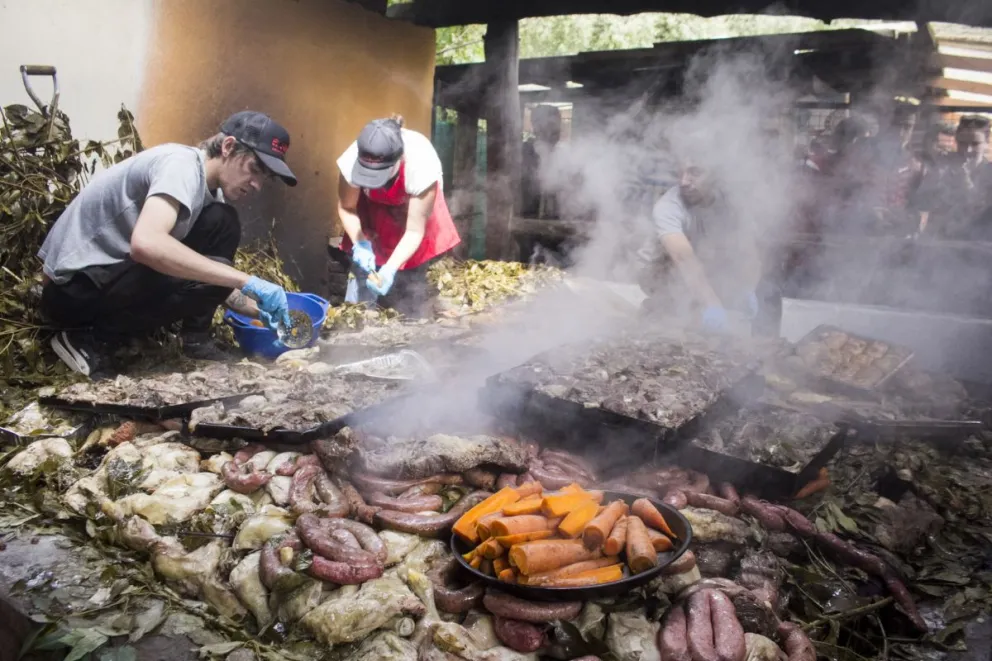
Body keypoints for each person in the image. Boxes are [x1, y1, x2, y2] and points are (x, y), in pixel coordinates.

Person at [39, 111, 298, 377]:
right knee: (215, 265)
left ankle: (196, 339)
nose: (256, 184)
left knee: (223, 221)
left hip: (109, 277)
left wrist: (257, 308)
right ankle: (87, 338)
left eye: (265, 178)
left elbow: (206, 276)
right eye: (254, 169)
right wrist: (245, 279)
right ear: (228, 146)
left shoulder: (210, 192)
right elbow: (147, 245)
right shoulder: (180, 166)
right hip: (70, 291)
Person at [334, 115, 460, 317]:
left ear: (399, 159)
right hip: (372, 211)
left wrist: (390, 269)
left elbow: (414, 231)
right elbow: (347, 207)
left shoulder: (421, 166)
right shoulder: (350, 161)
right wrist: (360, 244)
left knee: (409, 282)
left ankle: (410, 323)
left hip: (411, 217)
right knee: (361, 275)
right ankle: (357, 326)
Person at [637, 162, 764, 333]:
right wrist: (712, 305)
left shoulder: (732, 202)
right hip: (662, 272)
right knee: (682, 316)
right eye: (680, 172)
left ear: (716, 174)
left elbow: (749, 251)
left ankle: (760, 347)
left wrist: (748, 289)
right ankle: (655, 315)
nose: (683, 181)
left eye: (695, 173)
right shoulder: (668, 206)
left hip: (707, 266)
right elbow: (683, 258)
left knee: (768, 293)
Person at [521, 105, 563, 219]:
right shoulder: (523, 154)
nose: (557, 131)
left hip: (558, 226)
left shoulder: (563, 156)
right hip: (526, 224)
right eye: (551, 125)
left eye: (559, 125)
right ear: (536, 127)